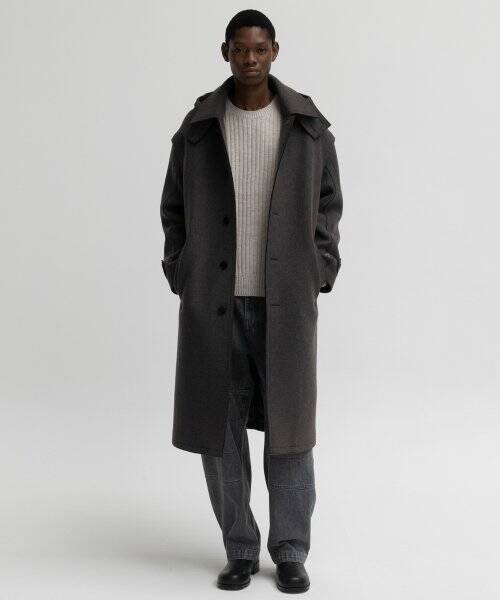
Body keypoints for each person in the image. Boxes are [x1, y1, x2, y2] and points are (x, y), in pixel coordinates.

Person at [160, 9, 343, 593]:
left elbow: (328, 204)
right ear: (225, 53)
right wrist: (181, 268)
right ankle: (239, 548)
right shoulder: (198, 128)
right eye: (240, 49)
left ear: (275, 51)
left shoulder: (307, 126)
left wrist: (320, 265)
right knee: (221, 434)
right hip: (214, 304)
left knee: (290, 434)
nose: (250, 59)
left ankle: (290, 551)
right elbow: (173, 207)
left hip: (284, 304)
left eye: (259, 48)